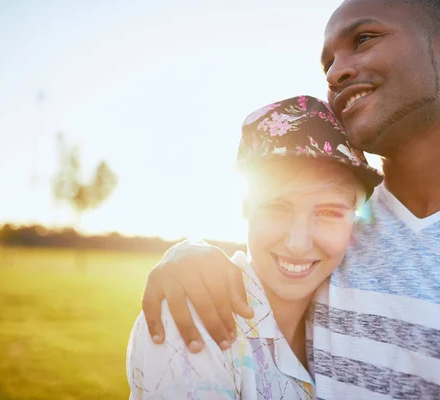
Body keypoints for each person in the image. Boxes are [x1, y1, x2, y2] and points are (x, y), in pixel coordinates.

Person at [140, 0, 440, 398]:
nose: (336, 72)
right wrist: (189, 254)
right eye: (327, 63)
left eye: (363, 39)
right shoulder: (348, 227)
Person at [126, 95, 383, 399]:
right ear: (246, 208)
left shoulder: (355, 319)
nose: (297, 243)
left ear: (355, 220)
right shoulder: (194, 316)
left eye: (328, 213)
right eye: (276, 207)